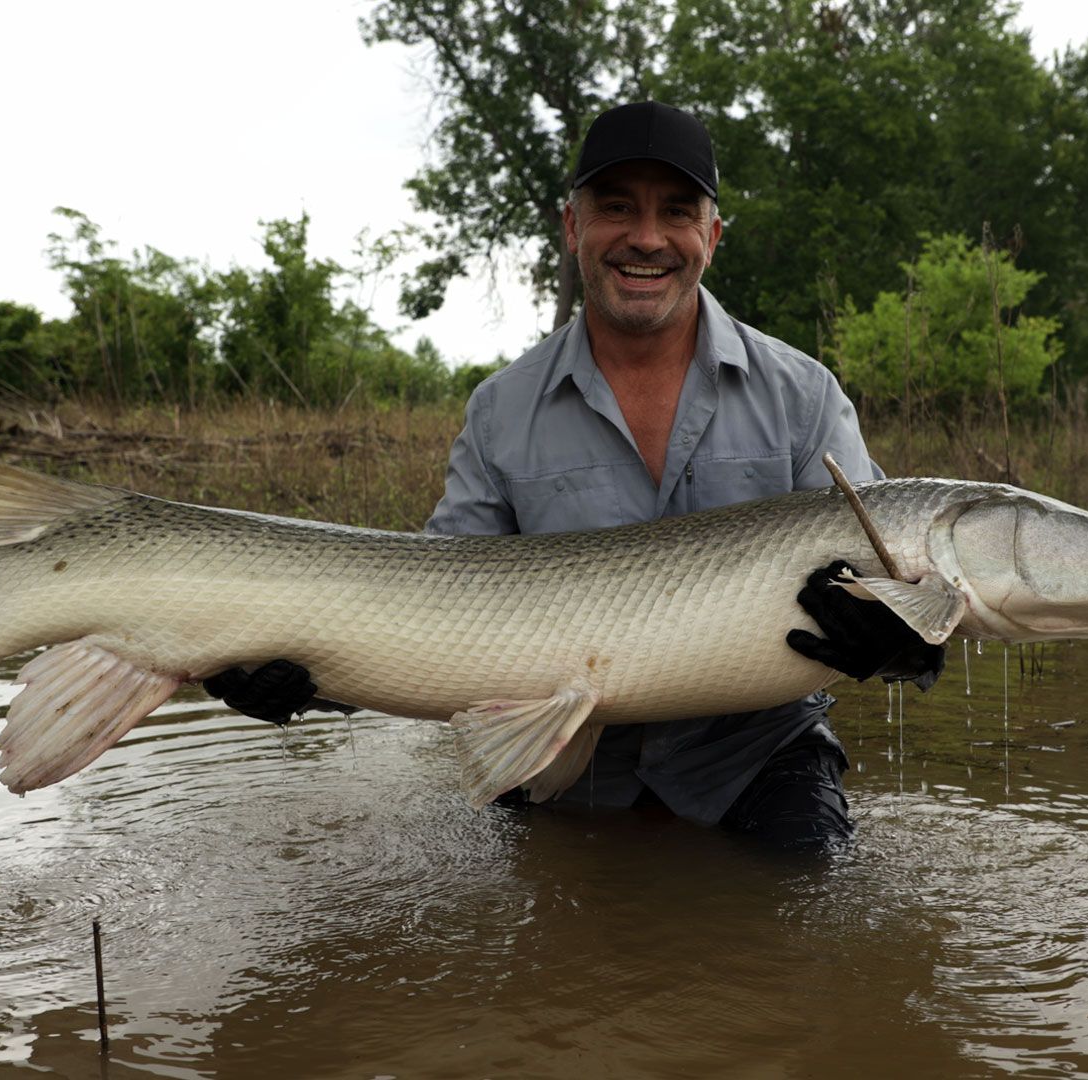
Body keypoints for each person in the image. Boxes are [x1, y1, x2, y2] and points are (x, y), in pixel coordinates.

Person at [207, 102, 942, 848]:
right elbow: (425, 614)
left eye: (677, 212)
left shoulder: (804, 392)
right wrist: (302, 677)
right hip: (559, 767)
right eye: (616, 207)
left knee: (812, 929)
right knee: (530, 945)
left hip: (753, 758)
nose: (647, 238)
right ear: (572, 228)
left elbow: (902, 582)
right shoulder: (501, 410)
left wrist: (906, 645)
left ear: (711, 238)